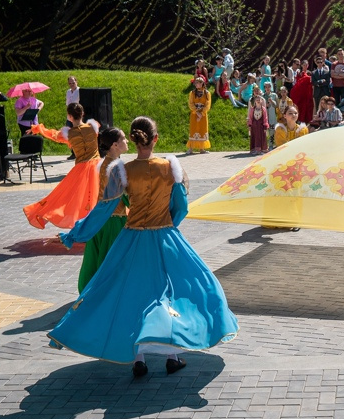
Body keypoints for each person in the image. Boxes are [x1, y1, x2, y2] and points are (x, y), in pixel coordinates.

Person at [48, 116, 237, 375]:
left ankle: (139, 359)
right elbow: (181, 207)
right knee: (170, 292)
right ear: (155, 138)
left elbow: (102, 210)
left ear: (134, 140)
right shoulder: (170, 167)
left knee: (131, 294)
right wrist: (169, 223)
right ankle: (172, 355)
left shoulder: (121, 171)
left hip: (131, 239)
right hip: (164, 238)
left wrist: (74, 235)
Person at [60, 127, 129, 293]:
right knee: (112, 260)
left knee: (99, 259)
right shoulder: (116, 167)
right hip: (113, 221)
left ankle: (95, 292)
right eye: (124, 139)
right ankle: (106, 294)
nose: (127, 141)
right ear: (115, 145)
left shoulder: (106, 162)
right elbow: (123, 196)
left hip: (102, 219)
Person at [24, 103, 101, 229]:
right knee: (99, 195)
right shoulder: (93, 127)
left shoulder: (69, 134)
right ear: (82, 114)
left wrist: (38, 128)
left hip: (82, 168)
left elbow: (52, 134)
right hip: (98, 166)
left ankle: (85, 225)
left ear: (69, 116)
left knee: (70, 197)